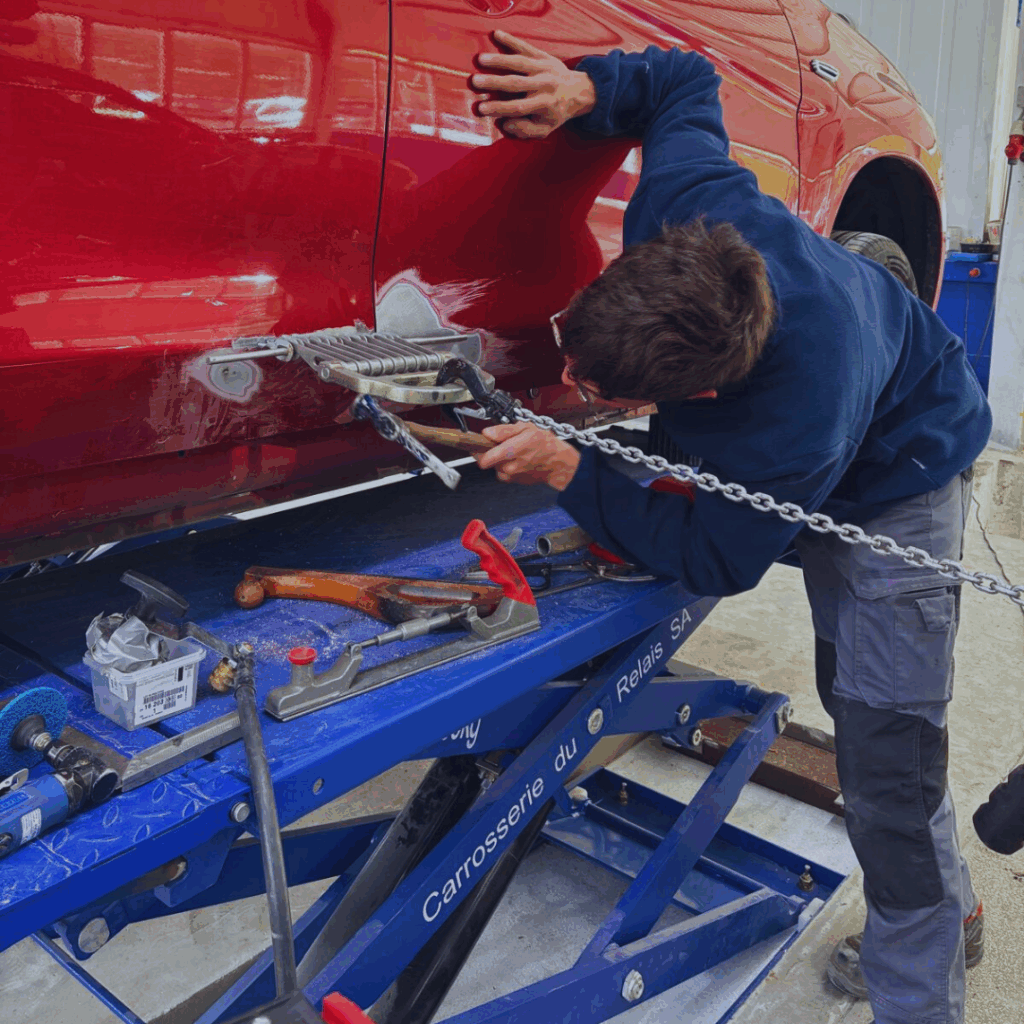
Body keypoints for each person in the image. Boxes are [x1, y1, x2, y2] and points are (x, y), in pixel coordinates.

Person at [469, 30, 991, 1024]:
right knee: (854, 699)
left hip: (902, 477)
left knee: (885, 753)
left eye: (593, 390)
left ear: (704, 392)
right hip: (833, 410)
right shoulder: (686, 210)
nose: (571, 386)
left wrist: (574, 468)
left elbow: (713, 552)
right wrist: (584, 86)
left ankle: (921, 987)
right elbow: (685, 78)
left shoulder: (787, 423)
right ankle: (946, 897)